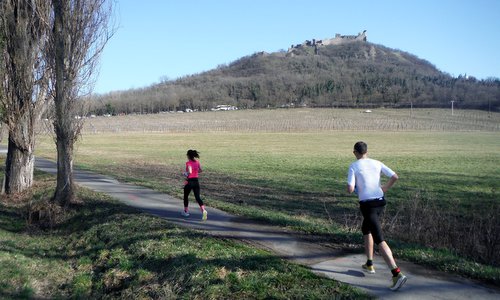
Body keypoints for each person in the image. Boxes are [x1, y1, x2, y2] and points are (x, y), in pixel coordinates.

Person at [346, 141, 407, 291]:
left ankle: (396, 274)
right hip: (380, 203)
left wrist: (355, 189)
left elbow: (350, 188)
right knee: (366, 229)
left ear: (355, 152)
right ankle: (369, 263)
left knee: (379, 238)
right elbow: (395, 176)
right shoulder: (377, 162)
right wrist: (384, 188)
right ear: (366, 151)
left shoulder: (353, 166)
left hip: (368, 206)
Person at [182, 149, 207, 221]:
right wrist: (195, 171)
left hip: (189, 182)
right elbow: (200, 170)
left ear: (188, 156)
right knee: (197, 197)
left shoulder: (188, 163)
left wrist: (185, 173)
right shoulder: (197, 162)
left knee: (186, 196)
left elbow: (189, 172)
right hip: (196, 181)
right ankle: (203, 210)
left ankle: (186, 211)